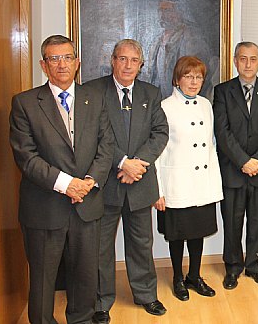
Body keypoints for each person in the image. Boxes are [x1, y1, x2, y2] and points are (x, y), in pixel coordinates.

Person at [9, 35, 114, 324]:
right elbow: (26, 158)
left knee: (84, 277)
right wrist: (67, 184)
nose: (62, 64)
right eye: (54, 59)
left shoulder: (96, 100)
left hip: (87, 205)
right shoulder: (25, 103)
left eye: (67, 57)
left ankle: (80, 320)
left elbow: (106, 148)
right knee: (43, 281)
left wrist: (89, 181)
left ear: (77, 62)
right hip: (45, 207)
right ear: (44, 65)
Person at [85, 39, 169, 323]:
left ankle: (146, 295)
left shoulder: (151, 92)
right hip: (106, 182)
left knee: (141, 243)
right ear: (112, 60)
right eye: (122, 59)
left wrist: (137, 165)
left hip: (140, 182)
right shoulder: (93, 91)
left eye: (134, 60)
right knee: (101, 247)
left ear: (141, 64)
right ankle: (100, 301)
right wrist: (122, 162)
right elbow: (92, 135)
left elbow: (160, 133)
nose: (127, 65)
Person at [213, 41, 258, 289]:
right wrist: (243, 161)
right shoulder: (222, 91)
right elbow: (222, 132)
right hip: (233, 170)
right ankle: (233, 267)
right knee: (232, 222)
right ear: (235, 61)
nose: (248, 64)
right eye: (243, 58)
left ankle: (255, 266)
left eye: (253, 59)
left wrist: (257, 162)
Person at [154, 56, 223, 301]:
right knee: (177, 234)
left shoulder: (206, 105)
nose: (194, 82)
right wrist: (158, 190)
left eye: (198, 77)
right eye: (189, 76)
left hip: (202, 183)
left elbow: (211, 147)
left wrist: (214, 185)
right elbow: (157, 152)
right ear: (178, 78)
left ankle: (195, 276)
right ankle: (177, 278)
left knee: (198, 232)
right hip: (177, 183)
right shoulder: (164, 107)